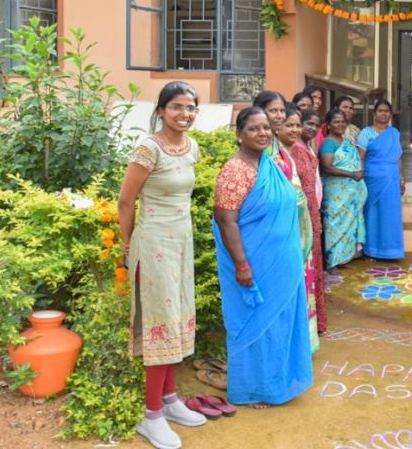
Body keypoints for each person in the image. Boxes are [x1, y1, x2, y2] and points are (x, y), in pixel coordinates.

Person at [118, 81, 207, 448]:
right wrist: (126, 247)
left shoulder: (192, 148)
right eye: (177, 107)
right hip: (153, 245)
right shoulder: (147, 149)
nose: (184, 114)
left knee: (177, 320)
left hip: (181, 243)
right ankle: (150, 416)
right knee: (161, 324)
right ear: (161, 110)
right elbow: (126, 201)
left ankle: (169, 401)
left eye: (190, 107)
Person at [212, 107, 313, 407]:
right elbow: (225, 220)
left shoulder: (268, 164)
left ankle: (277, 381)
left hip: (281, 263)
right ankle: (254, 388)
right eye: (254, 129)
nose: (263, 134)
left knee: (280, 324)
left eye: (267, 128)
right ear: (239, 134)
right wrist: (242, 265)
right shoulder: (235, 170)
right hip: (254, 265)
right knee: (258, 325)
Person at [273, 107, 321, 354]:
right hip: (284, 232)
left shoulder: (292, 153)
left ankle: (304, 341)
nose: (293, 129)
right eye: (287, 124)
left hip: (303, 231)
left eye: (296, 125)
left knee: (306, 284)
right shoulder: (274, 157)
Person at [291, 109, 328, 333]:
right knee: (306, 266)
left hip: (313, 212)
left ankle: (315, 323)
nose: (311, 128)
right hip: (302, 216)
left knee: (314, 266)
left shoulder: (308, 147)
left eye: (316, 125)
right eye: (308, 124)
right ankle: (304, 325)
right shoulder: (294, 150)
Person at [319, 107, 367, 271]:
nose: (340, 124)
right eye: (336, 122)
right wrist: (352, 174)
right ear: (329, 125)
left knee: (348, 224)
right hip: (336, 194)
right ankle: (332, 261)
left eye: (342, 122)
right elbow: (327, 167)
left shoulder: (347, 142)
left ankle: (344, 259)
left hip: (351, 195)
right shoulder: (328, 144)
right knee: (335, 224)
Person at [356, 99, 405, 260]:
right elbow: (360, 158)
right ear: (374, 113)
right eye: (380, 111)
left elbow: (397, 157)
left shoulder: (394, 133)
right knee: (373, 213)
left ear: (390, 114)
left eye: (386, 111)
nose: (383, 114)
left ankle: (392, 250)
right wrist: (359, 176)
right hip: (373, 178)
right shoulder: (366, 133)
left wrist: (402, 178)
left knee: (390, 213)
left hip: (391, 178)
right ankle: (372, 249)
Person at [253, 90, 289, 154]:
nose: (280, 116)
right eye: (273, 111)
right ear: (259, 112)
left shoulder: (276, 142)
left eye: (282, 111)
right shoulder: (254, 143)